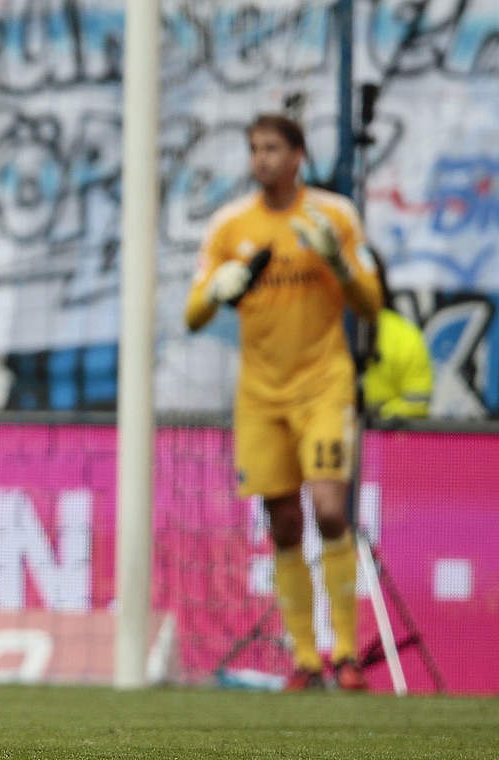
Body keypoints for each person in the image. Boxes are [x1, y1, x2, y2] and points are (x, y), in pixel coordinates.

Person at [184, 114, 383, 691]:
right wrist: (218, 290)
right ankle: (304, 659)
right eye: (253, 149)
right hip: (260, 396)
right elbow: (192, 316)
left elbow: (371, 304)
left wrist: (340, 264)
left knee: (328, 509)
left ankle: (346, 652)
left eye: (272, 148)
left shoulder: (334, 216)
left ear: (298, 155)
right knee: (285, 523)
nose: (261, 159)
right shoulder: (230, 226)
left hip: (323, 385)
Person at [362, 250, 432, 420]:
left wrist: (378, 418)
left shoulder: (403, 335)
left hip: (386, 440)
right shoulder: (322, 332)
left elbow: (417, 401)